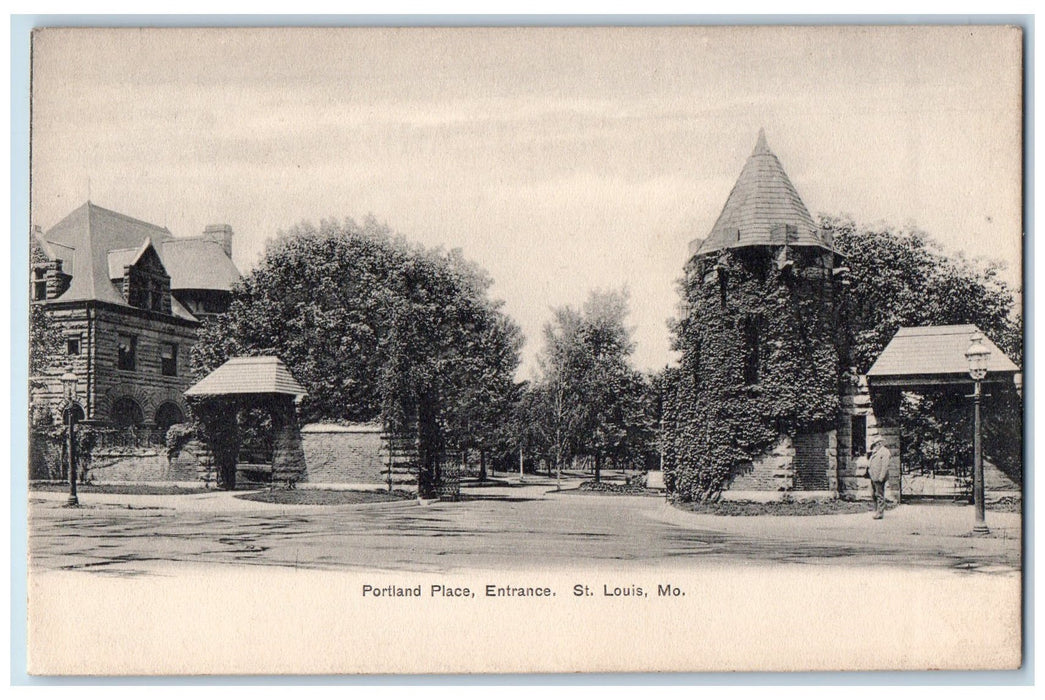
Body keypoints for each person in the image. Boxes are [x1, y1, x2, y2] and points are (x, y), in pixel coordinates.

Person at [867, 438, 892, 519]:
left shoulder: (885, 452)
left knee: (879, 495)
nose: (875, 446)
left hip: (879, 477)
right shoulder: (876, 451)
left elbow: (885, 466)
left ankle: (880, 513)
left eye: (876, 444)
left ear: (880, 443)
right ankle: (877, 510)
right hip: (873, 476)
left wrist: (881, 477)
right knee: (873, 494)